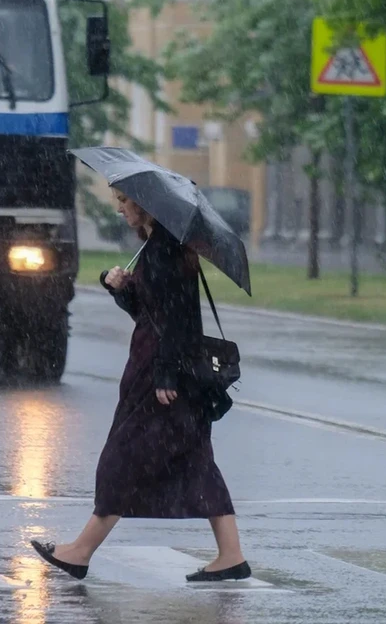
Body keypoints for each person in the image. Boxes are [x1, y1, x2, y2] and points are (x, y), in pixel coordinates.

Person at [30, 188, 250, 582]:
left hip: (159, 376)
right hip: (161, 369)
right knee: (195, 460)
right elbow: (150, 314)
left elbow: (178, 319)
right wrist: (120, 287)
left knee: (123, 458)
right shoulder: (158, 247)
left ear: (145, 204)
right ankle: (231, 555)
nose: (119, 208)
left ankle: (80, 551)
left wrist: (166, 374)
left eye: (123, 200)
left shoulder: (164, 250)